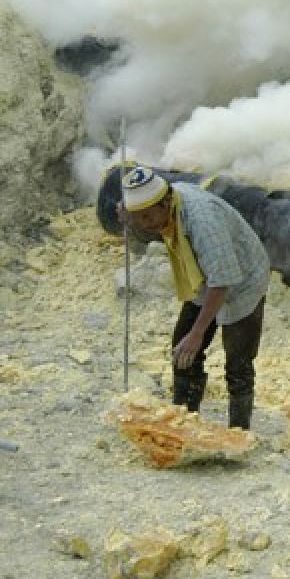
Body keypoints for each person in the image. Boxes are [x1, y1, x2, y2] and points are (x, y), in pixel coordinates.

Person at [120, 166, 271, 430]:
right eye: (139, 218)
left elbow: (223, 280)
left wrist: (198, 332)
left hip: (243, 280)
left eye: (147, 216)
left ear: (166, 202)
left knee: (238, 364)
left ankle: (239, 431)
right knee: (183, 349)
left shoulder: (202, 221)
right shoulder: (164, 207)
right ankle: (182, 421)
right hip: (204, 276)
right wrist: (130, 221)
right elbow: (210, 277)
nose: (146, 224)